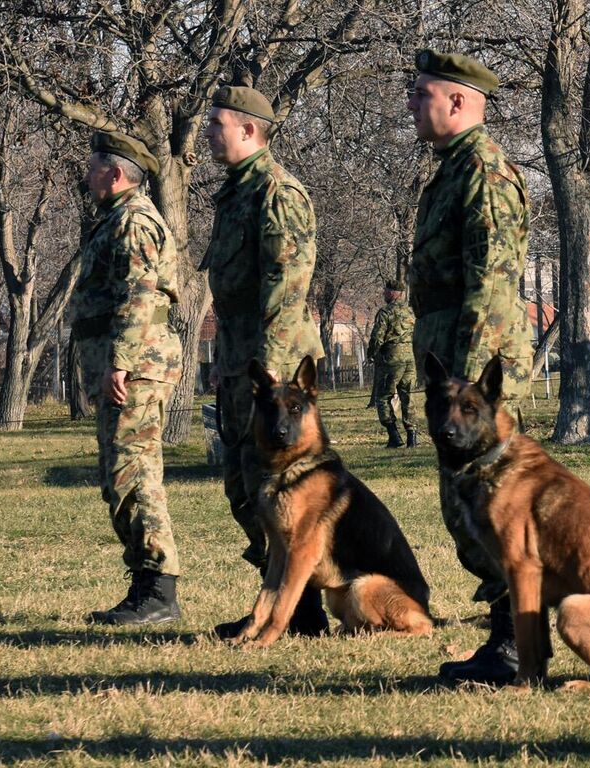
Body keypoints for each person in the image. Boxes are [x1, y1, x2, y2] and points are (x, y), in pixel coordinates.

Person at [404, 50, 536, 685]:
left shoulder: (483, 172)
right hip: (454, 375)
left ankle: (514, 648)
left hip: (476, 379)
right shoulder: (452, 171)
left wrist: (468, 388)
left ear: (458, 101)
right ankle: (507, 638)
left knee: (494, 511)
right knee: (468, 514)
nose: (410, 102)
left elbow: (492, 284)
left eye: (421, 92)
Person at [201, 84, 332, 639]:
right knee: (244, 488)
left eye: (217, 125)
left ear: (249, 130)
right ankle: (285, 602)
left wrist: (274, 367)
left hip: (269, 371)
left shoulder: (277, 193)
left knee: (281, 491)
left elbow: (289, 284)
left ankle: (301, 609)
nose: (208, 134)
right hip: (240, 366)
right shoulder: (235, 193)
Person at [71, 131, 185, 626]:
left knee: (134, 474)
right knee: (119, 475)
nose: (87, 174)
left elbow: (139, 297)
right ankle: (145, 583)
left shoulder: (135, 222)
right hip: (124, 365)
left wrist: (118, 360)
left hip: (137, 367)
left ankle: (159, 590)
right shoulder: (115, 220)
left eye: (94, 165)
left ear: (116, 173)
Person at [367, 279, 418, 448]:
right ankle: (412, 438)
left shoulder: (385, 312)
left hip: (391, 358)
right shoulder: (411, 312)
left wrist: (371, 354)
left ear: (391, 293)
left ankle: (394, 436)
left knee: (383, 397)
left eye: (385, 291)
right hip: (410, 358)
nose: (383, 294)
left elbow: (377, 337)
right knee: (408, 396)